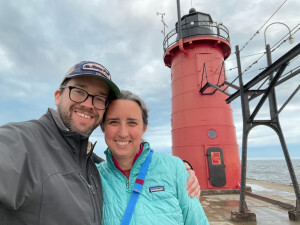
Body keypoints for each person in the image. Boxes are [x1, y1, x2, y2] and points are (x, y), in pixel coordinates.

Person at [0, 61, 200, 225]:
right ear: (58, 96)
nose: (87, 104)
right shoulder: (18, 141)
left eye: (99, 98)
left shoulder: (92, 166)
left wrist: (182, 168)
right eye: (78, 91)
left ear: (144, 128)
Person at [97, 90, 209, 225]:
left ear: (144, 127)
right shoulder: (92, 176)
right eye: (113, 122)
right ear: (102, 127)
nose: (123, 133)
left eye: (132, 123)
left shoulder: (174, 168)